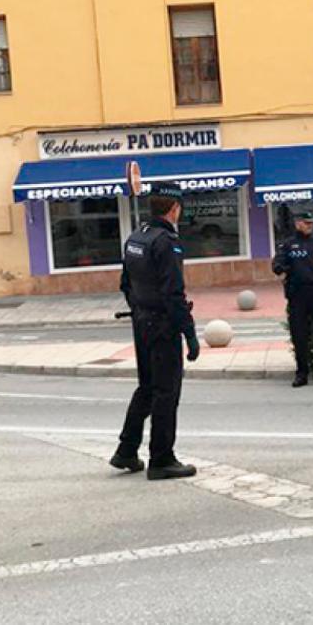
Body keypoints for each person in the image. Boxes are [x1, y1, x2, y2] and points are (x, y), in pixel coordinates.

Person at [110, 182, 202, 480]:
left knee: (147, 387)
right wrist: (188, 332)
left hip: (142, 323)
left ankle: (126, 450)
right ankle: (162, 458)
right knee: (166, 392)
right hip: (162, 325)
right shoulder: (166, 242)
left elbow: (126, 283)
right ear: (174, 208)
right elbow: (173, 293)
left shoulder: (136, 238)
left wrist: (138, 310)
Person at [273, 211, 313, 388]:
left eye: (312, 223)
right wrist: (281, 268)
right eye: (307, 223)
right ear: (297, 224)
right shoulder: (288, 245)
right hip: (297, 295)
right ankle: (302, 373)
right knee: (299, 336)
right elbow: (277, 264)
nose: (310, 226)